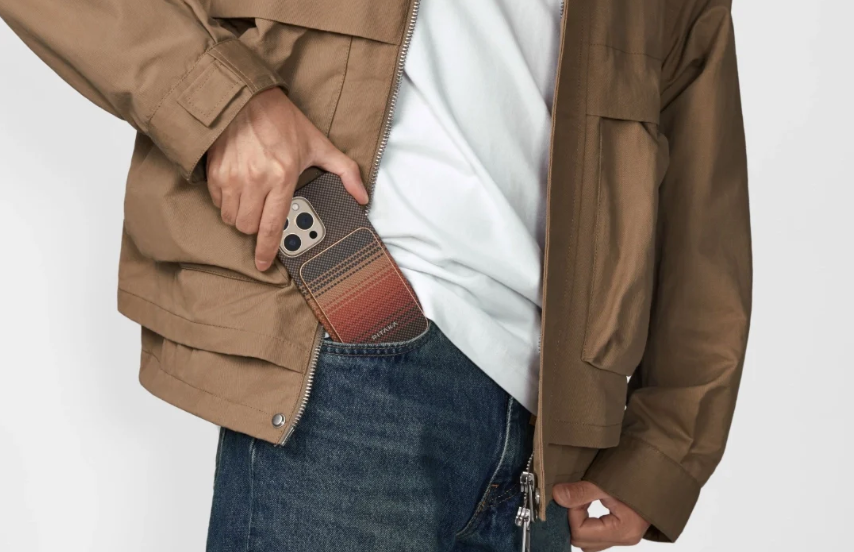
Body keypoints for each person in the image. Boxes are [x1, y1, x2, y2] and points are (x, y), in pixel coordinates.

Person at [0, 0, 751, 550]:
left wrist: (667, 443)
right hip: (353, 331)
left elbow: (700, 167)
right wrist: (221, 105)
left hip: (549, 434)